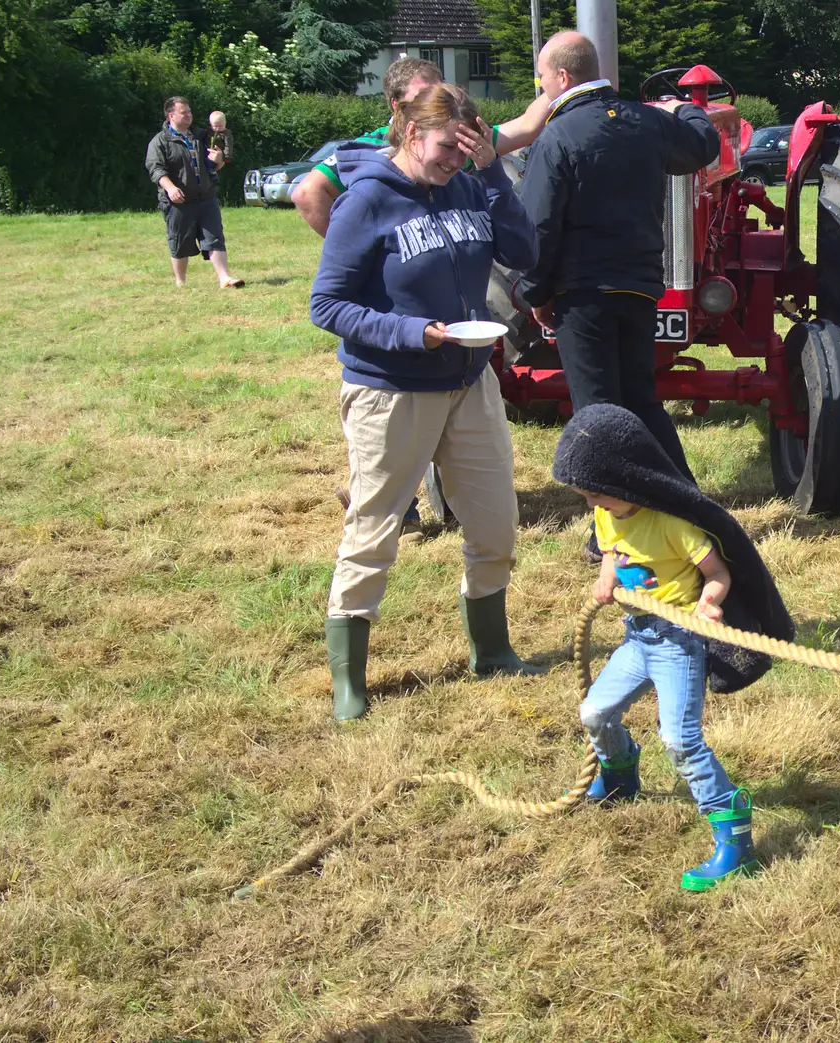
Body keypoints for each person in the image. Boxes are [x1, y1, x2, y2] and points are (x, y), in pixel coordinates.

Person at [310, 83, 543, 722]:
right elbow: (326, 304)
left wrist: (491, 170)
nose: (453, 159)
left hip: (470, 383)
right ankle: (349, 681)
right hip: (391, 391)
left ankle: (490, 650)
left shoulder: (470, 185)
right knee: (374, 529)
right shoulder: (367, 201)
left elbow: (524, 254)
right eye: (447, 147)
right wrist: (413, 333)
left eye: (465, 147)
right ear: (412, 133)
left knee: (496, 522)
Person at [552, 403, 797, 890]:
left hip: (676, 644)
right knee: (595, 714)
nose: (592, 505)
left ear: (626, 484)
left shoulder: (673, 526)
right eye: (586, 497)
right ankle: (621, 775)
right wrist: (606, 579)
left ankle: (734, 833)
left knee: (681, 740)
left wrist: (709, 604)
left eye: (597, 494)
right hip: (637, 637)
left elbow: (719, 573)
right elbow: (608, 549)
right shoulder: (606, 513)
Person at [516, 31, 721, 484]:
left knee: (596, 410)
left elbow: (540, 227)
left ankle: (612, 524)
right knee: (641, 400)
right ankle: (682, 499)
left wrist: (535, 291)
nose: (542, 86)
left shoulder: (558, 137)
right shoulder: (646, 122)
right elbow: (703, 145)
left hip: (583, 292)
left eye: (543, 78)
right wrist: (684, 107)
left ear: (564, 76)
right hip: (641, 285)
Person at [292, 57, 551, 238]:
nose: (435, 103)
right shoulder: (374, 146)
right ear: (396, 105)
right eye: (422, 97)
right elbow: (307, 193)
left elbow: (527, 127)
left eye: (440, 93)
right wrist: (357, 249)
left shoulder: (463, 135)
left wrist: (563, 83)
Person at [145, 96, 242, 288]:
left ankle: (225, 278)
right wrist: (171, 188)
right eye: (184, 112)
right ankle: (181, 282)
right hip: (178, 202)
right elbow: (156, 169)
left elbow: (215, 166)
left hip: (206, 197)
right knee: (180, 242)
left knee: (214, 238)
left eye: (190, 111)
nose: (189, 115)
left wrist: (220, 158)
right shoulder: (160, 141)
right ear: (171, 115)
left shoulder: (201, 135)